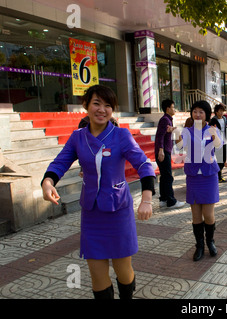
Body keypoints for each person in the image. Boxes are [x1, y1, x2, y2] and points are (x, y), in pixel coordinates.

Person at [41, 85, 156, 299]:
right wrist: (48, 181)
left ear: (112, 110)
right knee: (97, 275)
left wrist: (147, 198)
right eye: (96, 103)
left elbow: (144, 165)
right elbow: (60, 162)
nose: (101, 109)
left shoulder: (121, 135)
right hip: (92, 215)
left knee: (123, 271)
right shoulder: (78, 137)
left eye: (107, 105)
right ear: (86, 105)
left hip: (118, 212)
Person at [174, 101, 222, 261]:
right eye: (195, 111)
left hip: (209, 176)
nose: (197, 114)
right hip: (194, 176)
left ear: (207, 114)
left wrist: (214, 134)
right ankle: (199, 246)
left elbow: (219, 146)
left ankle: (210, 241)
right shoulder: (187, 131)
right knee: (196, 215)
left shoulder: (212, 129)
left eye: (201, 112)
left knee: (208, 214)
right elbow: (179, 148)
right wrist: (176, 136)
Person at [154, 99, 185, 209]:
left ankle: (163, 199)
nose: (174, 109)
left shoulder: (167, 120)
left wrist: (171, 130)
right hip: (163, 152)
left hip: (164, 150)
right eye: (172, 107)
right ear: (167, 108)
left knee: (164, 176)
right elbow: (160, 136)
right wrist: (161, 150)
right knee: (168, 177)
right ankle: (171, 201)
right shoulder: (165, 120)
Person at [209, 104, 227, 183]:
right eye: (219, 111)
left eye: (222, 111)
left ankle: (218, 174)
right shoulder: (213, 120)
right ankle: (219, 176)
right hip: (217, 142)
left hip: (224, 141)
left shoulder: (224, 119)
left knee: (224, 159)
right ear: (216, 112)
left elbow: (226, 127)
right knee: (219, 159)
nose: (221, 113)